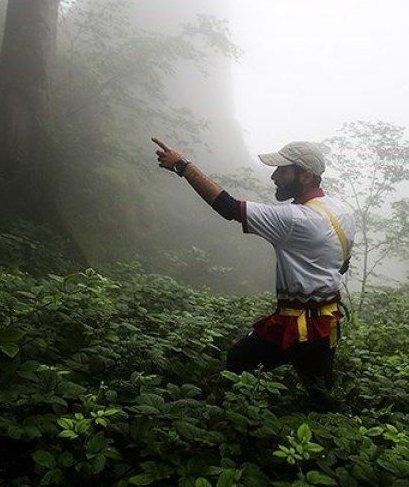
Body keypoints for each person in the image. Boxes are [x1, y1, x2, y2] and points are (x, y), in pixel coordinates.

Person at [152, 137, 355, 408]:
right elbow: (343, 263)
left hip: (296, 324)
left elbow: (229, 208)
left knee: (239, 360)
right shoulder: (342, 211)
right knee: (319, 394)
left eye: (282, 170)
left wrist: (183, 166)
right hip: (327, 322)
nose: (274, 177)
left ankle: (227, 419)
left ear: (306, 176)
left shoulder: (294, 219)